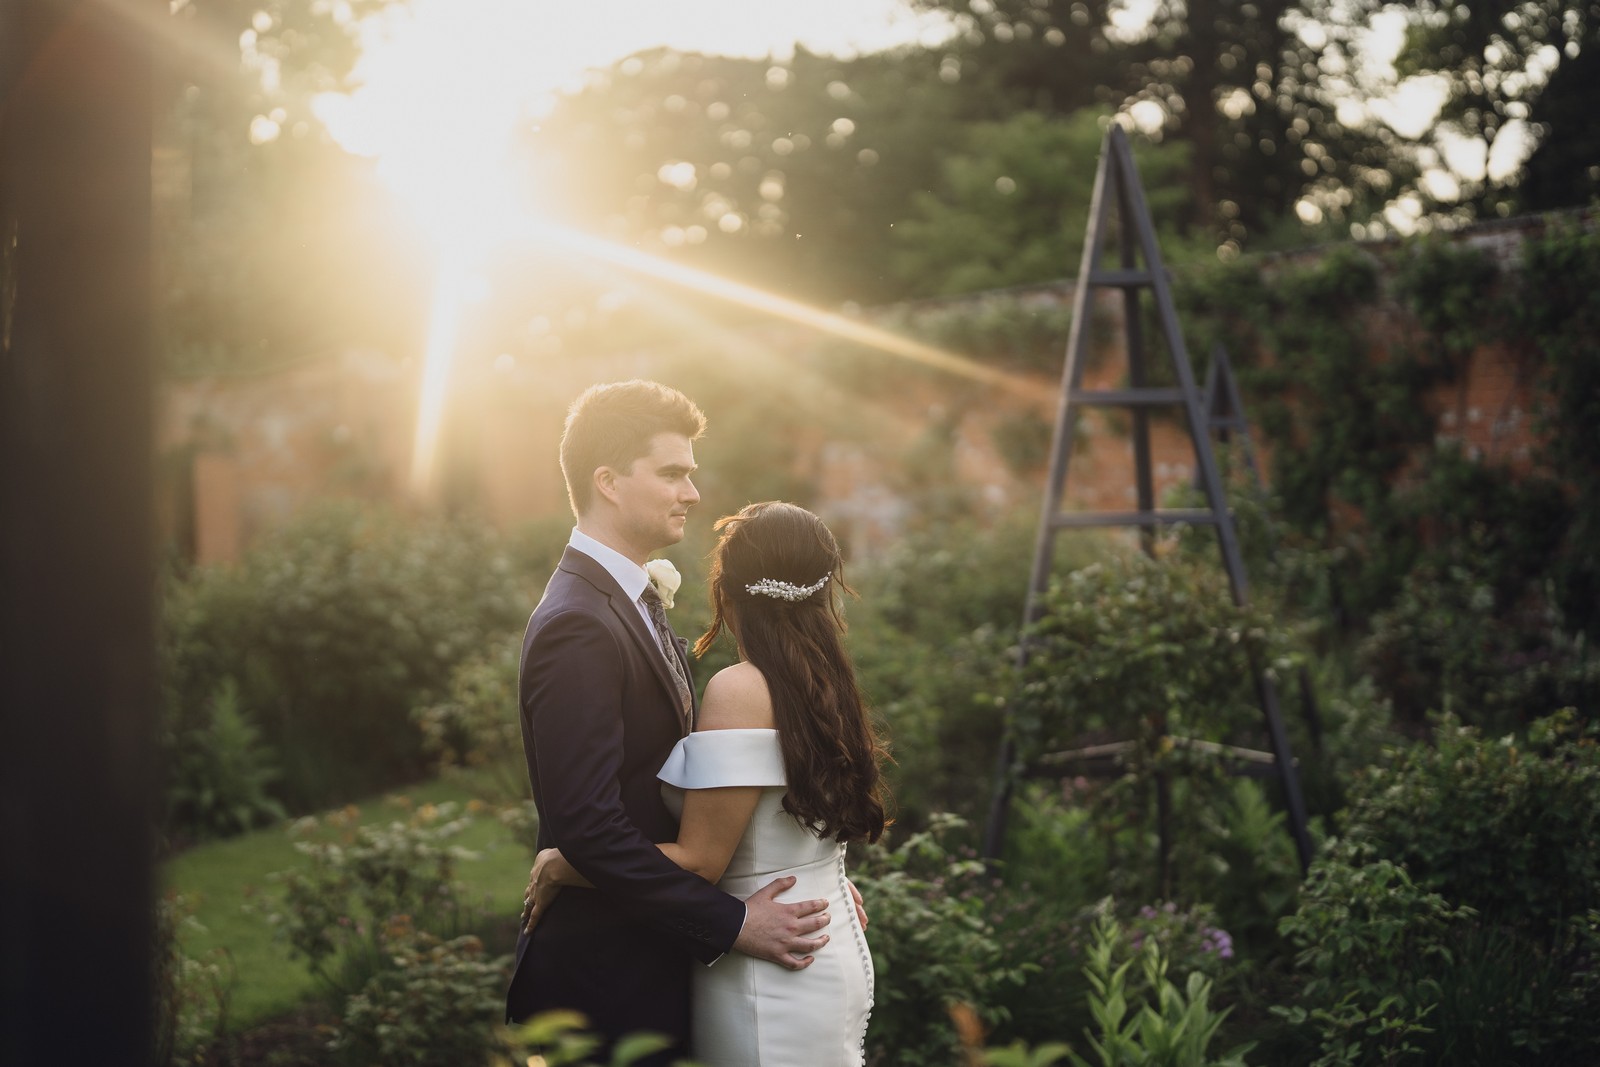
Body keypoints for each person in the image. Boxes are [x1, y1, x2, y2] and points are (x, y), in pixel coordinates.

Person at [504, 382, 838, 1066]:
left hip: (653, 960)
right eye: (672, 473)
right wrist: (734, 922)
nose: (691, 492)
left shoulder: (631, 599)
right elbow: (588, 825)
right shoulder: (578, 622)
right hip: (602, 986)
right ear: (608, 481)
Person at [524, 499, 890, 1067]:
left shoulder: (740, 688)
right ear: (823, 592)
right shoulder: (825, 683)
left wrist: (561, 864)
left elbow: (700, 863)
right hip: (826, 943)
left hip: (765, 969)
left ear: (728, 589)